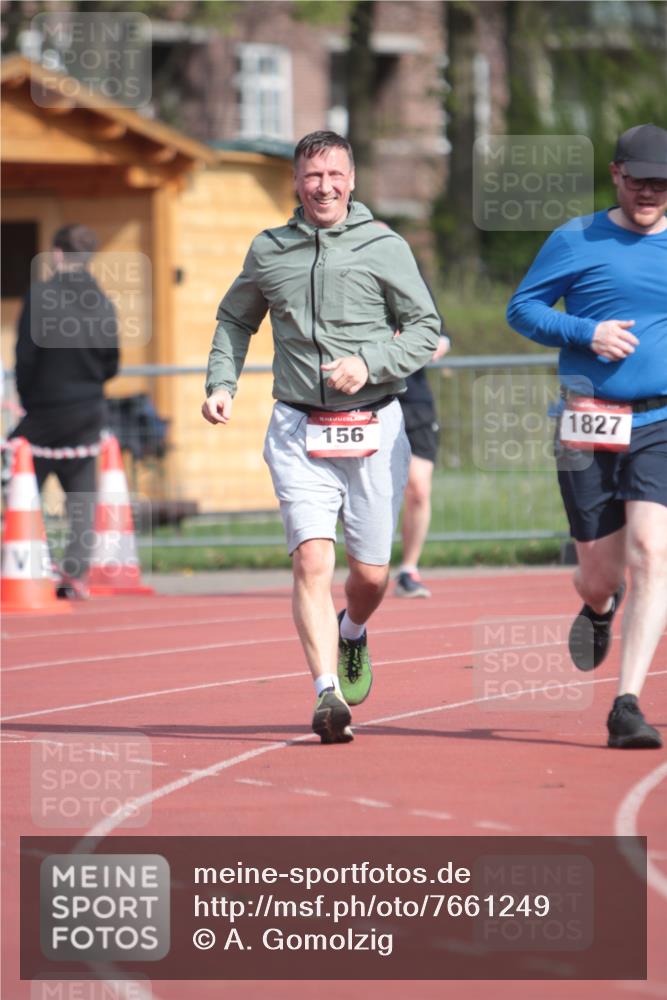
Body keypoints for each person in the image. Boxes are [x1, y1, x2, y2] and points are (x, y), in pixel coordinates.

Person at [202, 130, 441, 744]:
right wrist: (221, 382)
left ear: (352, 180)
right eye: (312, 176)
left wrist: (369, 361)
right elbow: (235, 318)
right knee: (312, 559)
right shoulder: (270, 249)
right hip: (297, 426)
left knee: (370, 577)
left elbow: (423, 329)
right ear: (296, 183)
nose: (324, 186)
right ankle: (326, 694)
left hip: (373, 428)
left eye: (335, 175)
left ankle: (353, 631)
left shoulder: (384, 245)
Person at [506, 123, 667, 749]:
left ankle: (627, 703)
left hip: (660, 420)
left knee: (652, 551)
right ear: (616, 176)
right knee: (599, 574)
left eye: (661, 184)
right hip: (587, 419)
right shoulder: (575, 238)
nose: (650, 193)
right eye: (639, 181)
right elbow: (522, 309)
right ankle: (599, 608)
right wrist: (587, 332)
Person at [11, 224, 119, 599]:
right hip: (87, 410)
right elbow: (112, 363)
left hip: (43, 410)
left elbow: (25, 357)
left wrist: (29, 399)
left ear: (57, 254)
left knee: (15, 487)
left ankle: (21, 566)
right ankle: (73, 575)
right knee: (82, 499)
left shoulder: (40, 296)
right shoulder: (102, 302)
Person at [395, 331, 450, 598]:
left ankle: (408, 569)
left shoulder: (416, 288)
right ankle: (366, 567)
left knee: (418, 488)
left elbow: (441, 337)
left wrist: (434, 345)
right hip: (367, 400)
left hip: (415, 404)